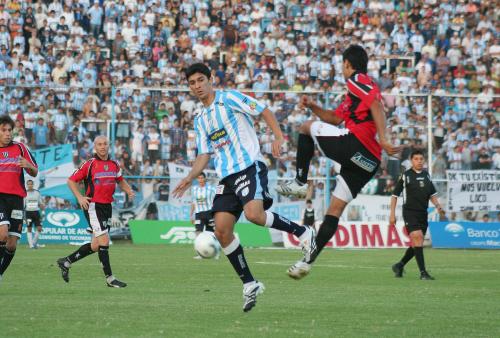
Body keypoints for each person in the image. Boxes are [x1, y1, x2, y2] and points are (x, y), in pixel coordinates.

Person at [173, 63, 315, 312]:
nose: (197, 86)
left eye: (200, 80)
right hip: (226, 177)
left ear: (211, 79)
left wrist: (279, 137)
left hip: (249, 165)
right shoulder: (200, 119)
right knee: (222, 231)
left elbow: (263, 110)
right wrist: (189, 177)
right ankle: (250, 284)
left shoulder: (229, 98)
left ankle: (303, 233)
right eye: (192, 83)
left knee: (254, 214)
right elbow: (204, 154)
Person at [276, 45, 400, 279]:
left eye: (341, 64)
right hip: (368, 162)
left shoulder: (357, 79)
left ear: (346, 64)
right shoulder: (353, 96)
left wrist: (384, 138)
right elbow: (334, 118)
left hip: (358, 145)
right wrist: (313, 106)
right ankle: (307, 262)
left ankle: (301, 182)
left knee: (304, 128)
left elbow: (375, 104)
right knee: (335, 210)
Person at [56, 136, 135, 288]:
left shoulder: (114, 164)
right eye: (99, 144)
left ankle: (66, 261)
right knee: (104, 241)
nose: (103, 147)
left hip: (107, 206)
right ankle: (110, 279)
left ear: (108, 146)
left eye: (105, 144)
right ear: (95, 147)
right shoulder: (89, 164)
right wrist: (79, 197)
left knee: (96, 245)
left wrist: (128, 190)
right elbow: (71, 181)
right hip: (93, 206)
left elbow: (120, 180)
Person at [390, 150, 445, 280]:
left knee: (417, 243)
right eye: (416, 159)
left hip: (422, 213)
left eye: (421, 159)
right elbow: (394, 196)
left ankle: (399, 265)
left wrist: (438, 207)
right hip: (409, 212)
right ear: (411, 161)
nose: (419, 161)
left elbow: (432, 195)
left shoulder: (426, 175)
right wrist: (392, 215)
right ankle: (423, 273)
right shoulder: (406, 175)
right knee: (418, 237)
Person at [0, 115, 38, 283]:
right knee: (2, 234)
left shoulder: (20, 148)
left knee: (12, 244)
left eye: (10, 130)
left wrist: (28, 165)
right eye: (4, 130)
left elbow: (35, 171)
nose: (8, 134)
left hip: (16, 199)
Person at [190, 172, 216, 259]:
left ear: (204, 179)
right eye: (199, 178)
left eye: (202, 178)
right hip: (198, 214)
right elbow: (193, 202)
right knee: (198, 232)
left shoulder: (211, 189)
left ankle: (215, 252)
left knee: (211, 233)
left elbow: (215, 201)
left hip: (209, 213)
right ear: (197, 179)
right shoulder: (194, 189)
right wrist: (191, 215)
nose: (200, 180)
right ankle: (199, 254)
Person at [25, 179, 44, 249]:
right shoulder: (25, 193)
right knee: (29, 228)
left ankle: (33, 243)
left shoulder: (37, 193)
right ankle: (31, 245)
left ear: (33, 185)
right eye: (28, 184)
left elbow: (41, 203)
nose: (30, 185)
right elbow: (23, 205)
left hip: (36, 212)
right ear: (27, 185)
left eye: (31, 184)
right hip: (28, 212)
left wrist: (43, 212)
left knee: (39, 228)